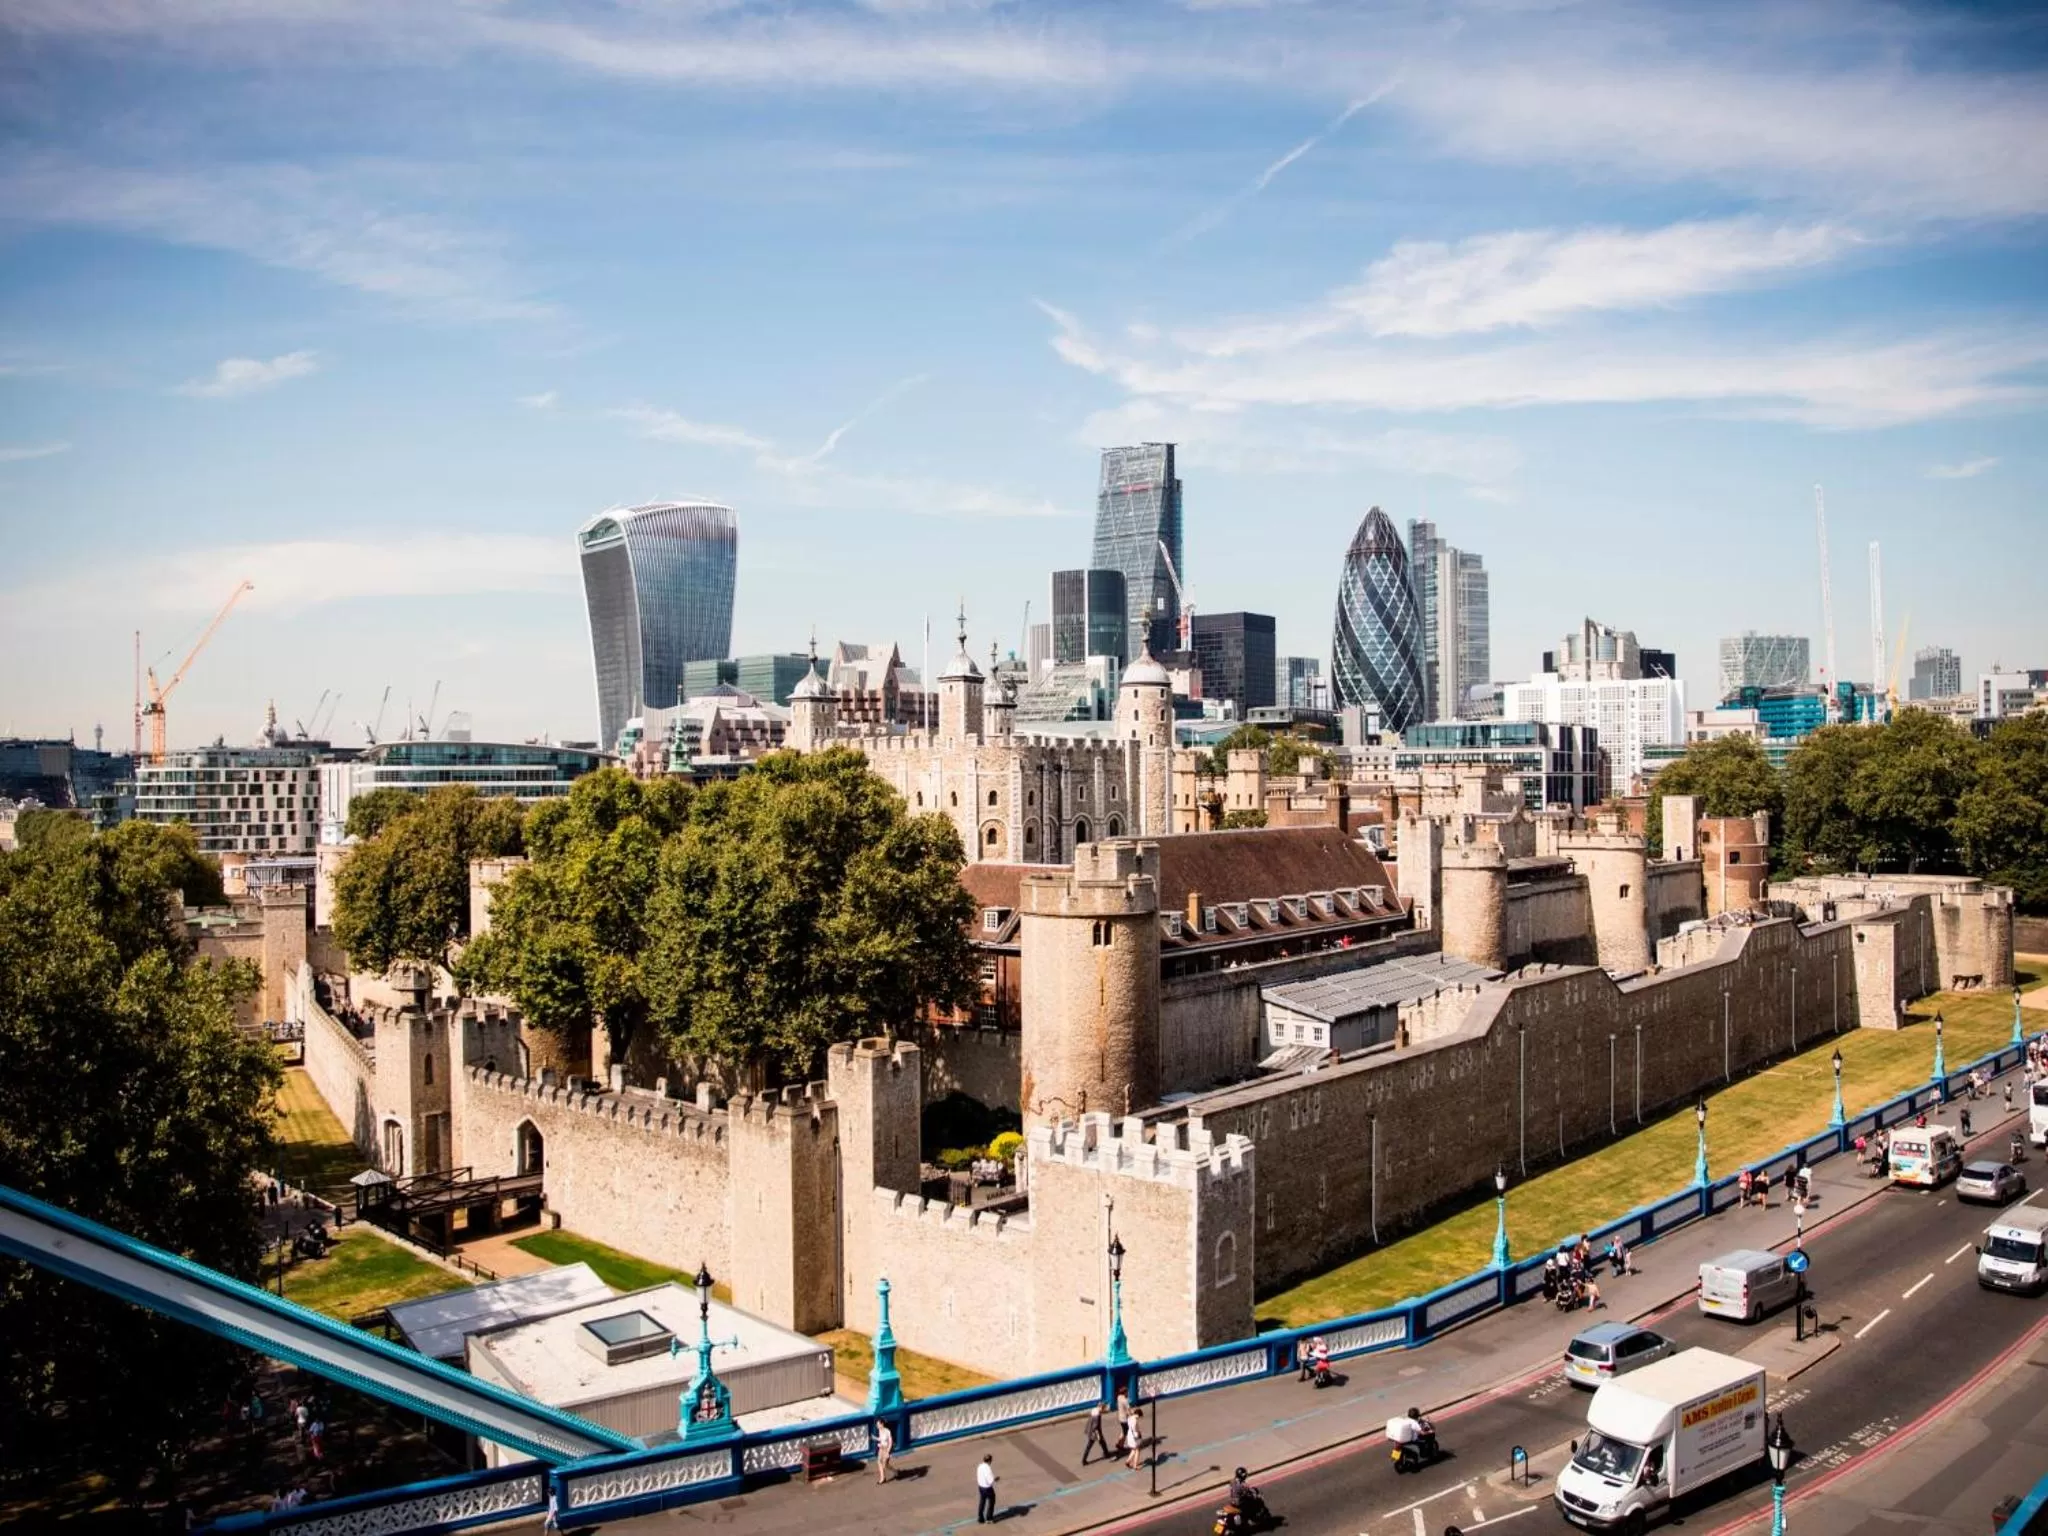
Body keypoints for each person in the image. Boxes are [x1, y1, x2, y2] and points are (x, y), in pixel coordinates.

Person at [1081, 1400, 1113, 1465]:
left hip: (1090, 1430)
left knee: (1101, 1443)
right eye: (1103, 1408)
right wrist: (1098, 1434)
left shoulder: (1094, 1410)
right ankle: (1084, 1460)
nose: (1104, 1410)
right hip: (1094, 1432)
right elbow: (1096, 1426)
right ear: (1101, 1407)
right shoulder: (1097, 1414)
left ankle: (1106, 1453)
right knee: (1091, 1445)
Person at [976, 1454, 998, 1524]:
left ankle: (980, 1517)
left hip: (980, 1487)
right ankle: (989, 1518)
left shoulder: (980, 1466)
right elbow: (990, 1480)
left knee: (982, 1501)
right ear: (989, 1461)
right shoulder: (988, 1468)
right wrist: (995, 1479)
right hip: (987, 1488)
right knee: (992, 1501)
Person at [1125, 1405, 1147, 1470]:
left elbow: (1128, 1413)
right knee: (1137, 1450)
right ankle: (1135, 1465)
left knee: (1133, 1449)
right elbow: (1135, 1429)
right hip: (1134, 1436)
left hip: (1129, 1435)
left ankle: (1128, 1461)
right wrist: (1139, 1432)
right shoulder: (1135, 1420)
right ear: (1138, 1414)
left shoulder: (1130, 1418)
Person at [875, 1419, 893, 1485]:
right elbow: (881, 1439)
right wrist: (875, 1438)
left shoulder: (887, 1431)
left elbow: (890, 1442)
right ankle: (882, 1478)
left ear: (882, 1424)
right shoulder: (880, 1430)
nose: (877, 1426)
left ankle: (895, 1471)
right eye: (877, 1425)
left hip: (886, 1449)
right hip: (881, 1448)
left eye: (878, 1424)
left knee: (885, 1465)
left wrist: (888, 1451)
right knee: (879, 1462)